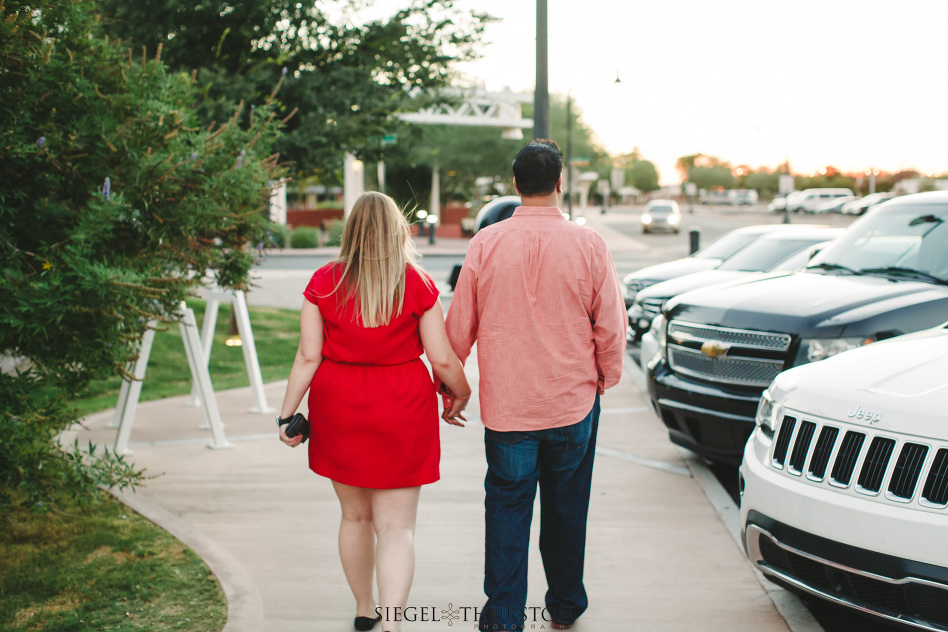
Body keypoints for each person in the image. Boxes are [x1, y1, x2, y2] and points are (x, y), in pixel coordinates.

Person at [443, 140, 626, 631]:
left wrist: (450, 383)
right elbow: (611, 324)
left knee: (506, 510)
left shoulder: (485, 243)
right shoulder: (589, 245)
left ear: (515, 184)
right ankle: (565, 605)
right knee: (568, 509)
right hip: (573, 403)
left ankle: (503, 619)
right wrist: (606, 376)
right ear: (560, 183)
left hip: (509, 411)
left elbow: (459, 325)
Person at [278, 191, 471, 632]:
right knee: (397, 528)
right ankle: (393, 623)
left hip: (338, 405)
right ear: (397, 230)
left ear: (351, 232)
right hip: (401, 406)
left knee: (354, 516)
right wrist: (461, 391)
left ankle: (365, 609)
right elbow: (441, 359)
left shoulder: (323, 282)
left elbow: (308, 357)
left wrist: (286, 415)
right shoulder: (416, 283)